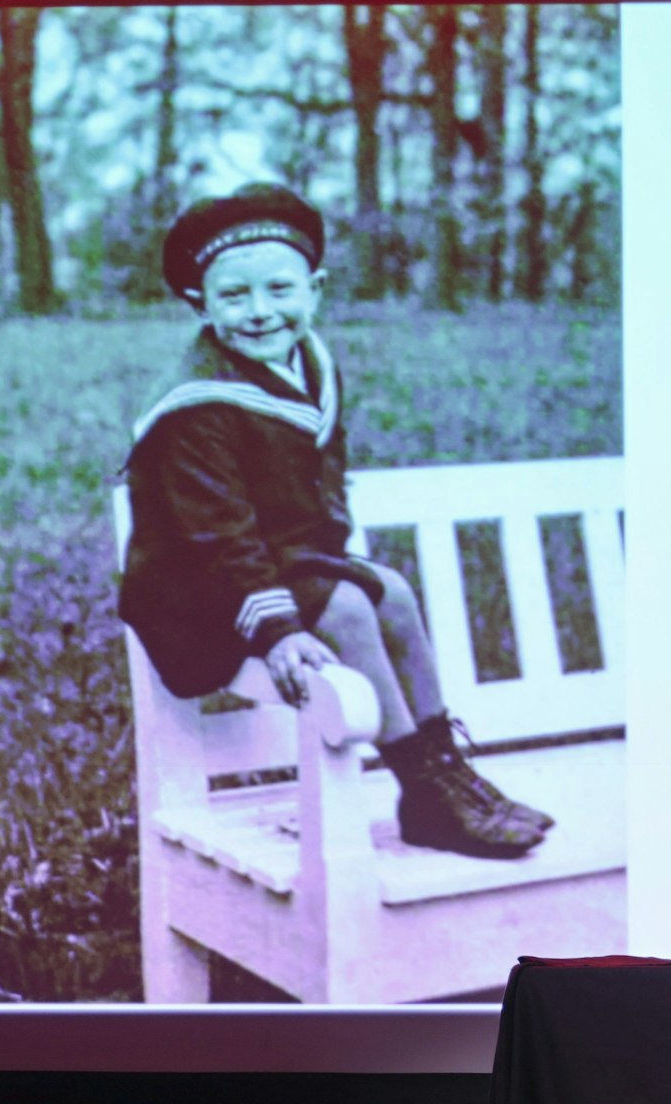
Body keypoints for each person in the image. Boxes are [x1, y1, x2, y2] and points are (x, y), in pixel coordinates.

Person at [118, 181, 552, 859]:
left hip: (278, 559)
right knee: (347, 609)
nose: (261, 312)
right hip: (195, 590)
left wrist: (327, 561)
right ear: (198, 304)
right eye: (234, 296)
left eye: (280, 290)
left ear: (314, 289)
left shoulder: (312, 363)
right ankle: (423, 788)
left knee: (393, 595)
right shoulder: (196, 404)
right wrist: (279, 628)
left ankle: (444, 769)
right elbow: (215, 534)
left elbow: (321, 486)